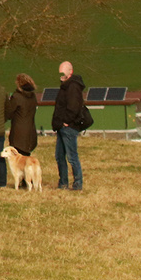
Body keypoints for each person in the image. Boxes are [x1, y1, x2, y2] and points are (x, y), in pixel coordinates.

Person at [51, 60, 86, 191]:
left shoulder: (73, 87)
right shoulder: (65, 86)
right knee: (59, 156)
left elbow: (73, 107)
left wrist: (67, 121)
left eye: (63, 71)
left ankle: (77, 184)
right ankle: (63, 183)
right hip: (61, 126)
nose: (60, 74)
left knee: (72, 157)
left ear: (70, 71)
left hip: (68, 127)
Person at [3, 73, 39, 190]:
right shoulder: (33, 97)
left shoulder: (17, 97)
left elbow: (9, 113)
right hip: (30, 130)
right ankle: (29, 180)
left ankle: (22, 181)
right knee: (26, 157)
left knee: (18, 159)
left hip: (18, 131)